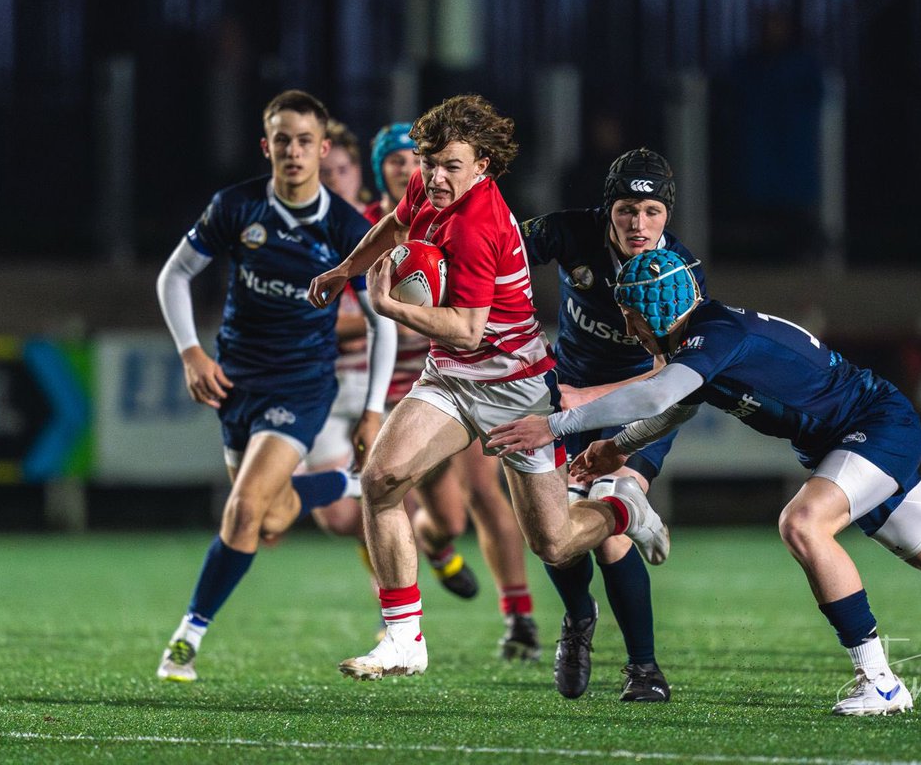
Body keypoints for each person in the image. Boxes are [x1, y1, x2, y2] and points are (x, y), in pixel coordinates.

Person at [489, 248, 921, 714]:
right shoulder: (705, 339)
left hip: (874, 427)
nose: (630, 330)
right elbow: (675, 405)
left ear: (650, 309)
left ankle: (880, 683)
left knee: (802, 523)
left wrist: (556, 425)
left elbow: (659, 389)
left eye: (631, 318)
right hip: (860, 436)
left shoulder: (708, 338)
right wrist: (613, 450)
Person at [308, 95, 666, 680]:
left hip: (514, 389)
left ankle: (623, 510)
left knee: (552, 544)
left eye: (451, 165)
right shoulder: (430, 189)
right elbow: (395, 224)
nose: (435, 176)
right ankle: (404, 639)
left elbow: (469, 329)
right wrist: (345, 270)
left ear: (483, 166)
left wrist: (386, 304)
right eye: (429, 162)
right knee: (381, 478)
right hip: (449, 377)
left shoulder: (478, 222)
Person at [154, 90, 396, 682]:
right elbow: (174, 276)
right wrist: (191, 353)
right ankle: (346, 483)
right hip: (235, 381)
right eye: (282, 140)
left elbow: (380, 320)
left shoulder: (345, 228)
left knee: (240, 512)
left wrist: (371, 411)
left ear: (323, 149)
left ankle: (186, 640)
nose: (293, 151)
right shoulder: (237, 207)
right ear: (267, 146)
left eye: (305, 141)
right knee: (268, 518)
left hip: (302, 384)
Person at [518, 148, 705, 701]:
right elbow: (498, 252)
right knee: (557, 534)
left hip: (641, 408)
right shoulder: (569, 234)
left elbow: (668, 376)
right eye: (626, 209)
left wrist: (581, 398)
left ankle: (644, 670)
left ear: (668, 213)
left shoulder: (681, 273)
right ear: (608, 209)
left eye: (651, 211)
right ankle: (579, 618)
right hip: (569, 400)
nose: (638, 225)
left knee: (605, 534)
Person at [320, 119, 373, 214]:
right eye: (325, 172)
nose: (334, 180)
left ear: (357, 171)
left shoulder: (381, 222)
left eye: (342, 170)